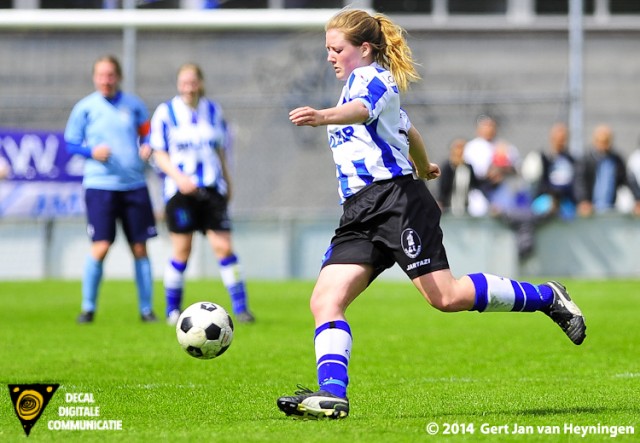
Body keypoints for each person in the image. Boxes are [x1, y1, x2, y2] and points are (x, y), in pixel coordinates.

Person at [276, 8, 586, 420]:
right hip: (359, 211)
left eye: (336, 49)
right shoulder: (352, 84)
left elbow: (364, 112)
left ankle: (548, 297)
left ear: (363, 49)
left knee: (447, 297)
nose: (330, 57)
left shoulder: (376, 80)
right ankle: (333, 394)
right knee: (324, 300)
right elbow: (409, 130)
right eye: (327, 50)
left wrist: (322, 117)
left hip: (396, 202)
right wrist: (423, 165)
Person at [149, 63, 254, 325]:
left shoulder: (213, 111)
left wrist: (228, 181)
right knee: (182, 251)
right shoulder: (166, 112)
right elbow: (158, 153)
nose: (189, 86)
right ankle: (173, 310)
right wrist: (179, 178)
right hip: (180, 192)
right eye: (184, 82)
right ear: (178, 84)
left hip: (211, 189)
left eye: (193, 81)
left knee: (224, 246)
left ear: (201, 83)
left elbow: (220, 151)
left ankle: (241, 309)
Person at [64, 55, 158, 323]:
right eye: (101, 75)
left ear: (118, 77)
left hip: (134, 186)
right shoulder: (85, 108)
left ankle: (146, 309)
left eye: (110, 75)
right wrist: (91, 151)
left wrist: (148, 144)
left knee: (140, 247)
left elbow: (148, 131)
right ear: (95, 78)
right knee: (101, 246)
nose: (106, 80)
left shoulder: (134, 105)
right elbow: (70, 143)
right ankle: (88, 307)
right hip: (100, 186)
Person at [528, 122, 577, 220]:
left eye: (563, 139)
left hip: (565, 201)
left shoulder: (571, 160)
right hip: (545, 199)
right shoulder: (542, 158)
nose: (560, 142)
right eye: (557, 139)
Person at [575, 124, 626, 217]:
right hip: (590, 210)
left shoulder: (616, 160)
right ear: (595, 141)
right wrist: (583, 200)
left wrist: (637, 199)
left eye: (606, 141)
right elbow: (579, 182)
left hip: (610, 209)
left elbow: (626, 180)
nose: (604, 145)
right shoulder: (586, 159)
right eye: (601, 141)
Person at [437, 137, 482, 216]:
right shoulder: (448, 166)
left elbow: (475, 185)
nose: (460, 151)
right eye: (458, 147)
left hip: (465, 207)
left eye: (463, 147)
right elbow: (443, 187)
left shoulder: (468, 167)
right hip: (449, 207)